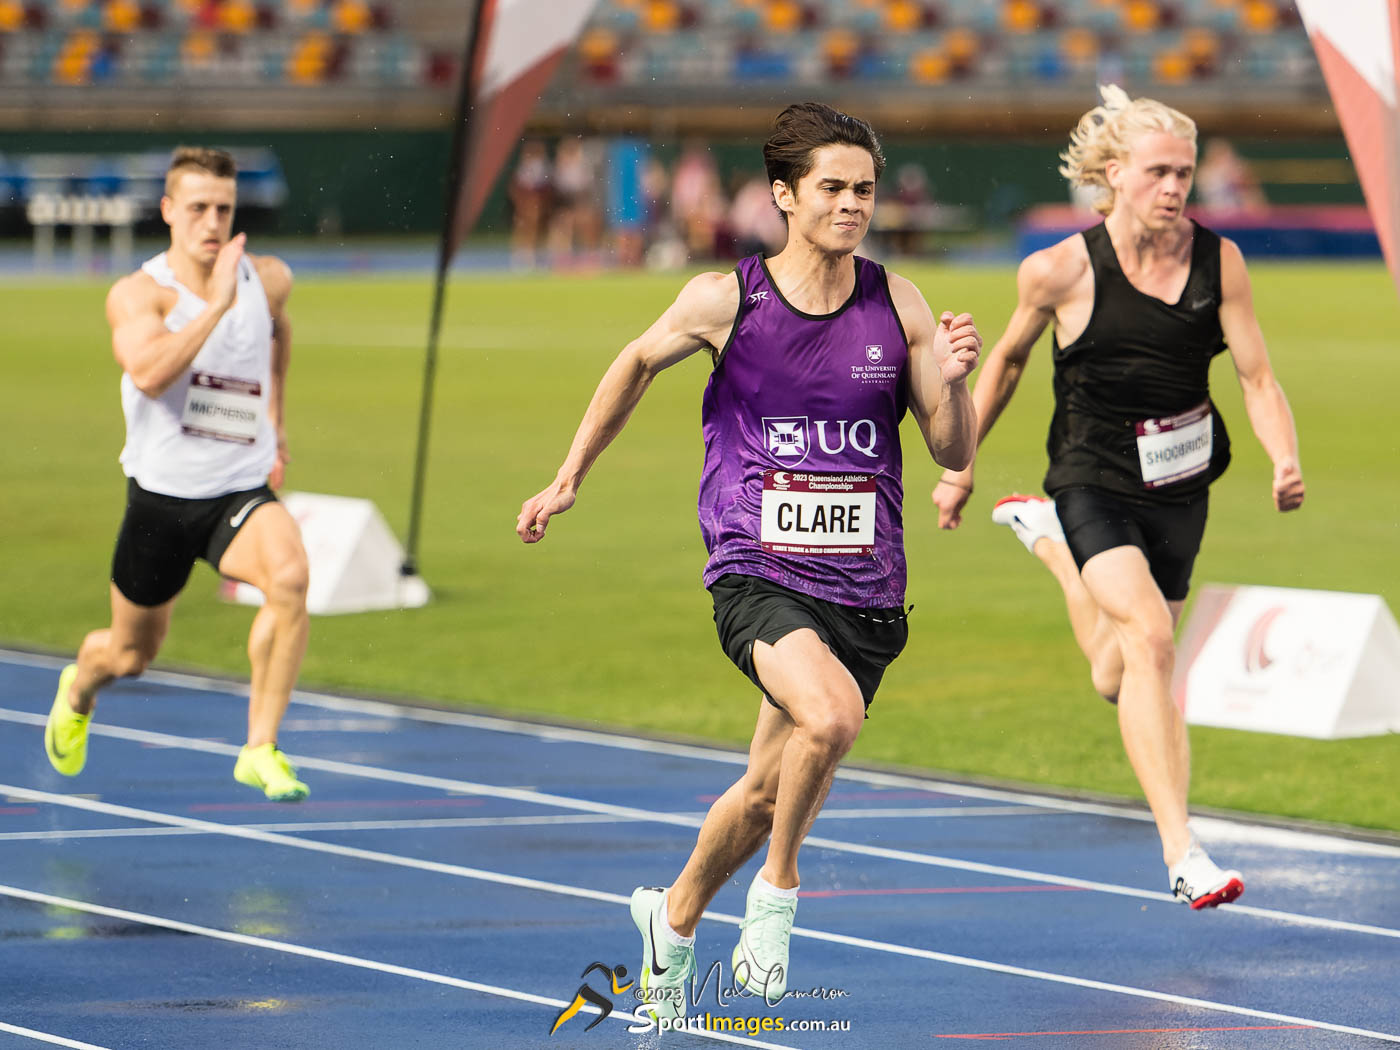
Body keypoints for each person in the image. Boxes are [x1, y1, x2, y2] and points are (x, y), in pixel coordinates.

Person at [518, 102, 981, 1020]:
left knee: (771, 787)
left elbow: (950, 448)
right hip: (755, 566)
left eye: (865, 190)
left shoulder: (901, 303)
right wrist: (569, 475)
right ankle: (774, 902)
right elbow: (634, 364)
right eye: (833, 189)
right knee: (832, 718)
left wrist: (956, 380)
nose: (853, 205)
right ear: (783, 195)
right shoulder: (726, 299)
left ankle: (675, 917)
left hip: (865, 583)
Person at [933, 85, 1305, 909]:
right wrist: (960, 464)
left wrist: (1285, 456)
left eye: (1186, 173)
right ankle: (1183, 849)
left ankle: (1055, 556)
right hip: (1090, 475)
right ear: (1113, 173)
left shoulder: (1221, 263)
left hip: (1180, 485)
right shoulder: (1059, 269)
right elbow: (1005, 364)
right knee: (1148, 634)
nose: (1175, 189)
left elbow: (1255, 375)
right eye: (1159, 172)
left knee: (1118, 669)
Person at [44, 146, 312, 803]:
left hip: (238, 491)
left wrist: (275, 414)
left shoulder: (267, 277)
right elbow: (149, 372)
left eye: (223, 209)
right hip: (161, 502)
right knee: (131, 656)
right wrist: (214, 306)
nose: (212, 223)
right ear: (168, 211)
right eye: (197, 208)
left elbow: (278, 330)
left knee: (291, 576)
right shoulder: (140, 294)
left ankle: (259, 747)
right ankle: (79, 685)